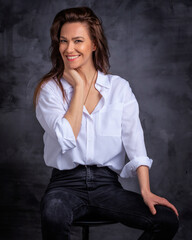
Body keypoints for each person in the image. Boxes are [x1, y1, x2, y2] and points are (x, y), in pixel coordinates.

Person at [34, 7, 179, 240]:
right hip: (64, 186)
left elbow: (135, 141)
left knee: (166, 220)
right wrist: (79, 87)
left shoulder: (119, 88)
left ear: (94, 44)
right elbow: (66, 137)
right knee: (53, 213)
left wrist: (145, 191)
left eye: (78, 41)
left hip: (107, 186)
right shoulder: (50, 90)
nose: (69, 49)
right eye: (63, 41)